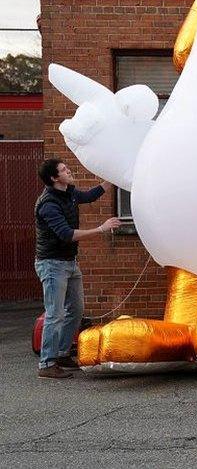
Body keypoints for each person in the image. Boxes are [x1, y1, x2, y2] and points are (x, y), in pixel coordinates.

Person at [35, 158, 121, 379]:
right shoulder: (48, 204)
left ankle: (62, 353)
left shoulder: (69, 192)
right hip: (52, 265)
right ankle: (47, 363)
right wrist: (101, 228)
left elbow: (90, 195)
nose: (69, 171)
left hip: (69, 263)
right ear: (55, 178)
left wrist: (113, 178)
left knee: (76, 309)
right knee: (55, 314)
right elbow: (67, 234)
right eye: (64, 170)